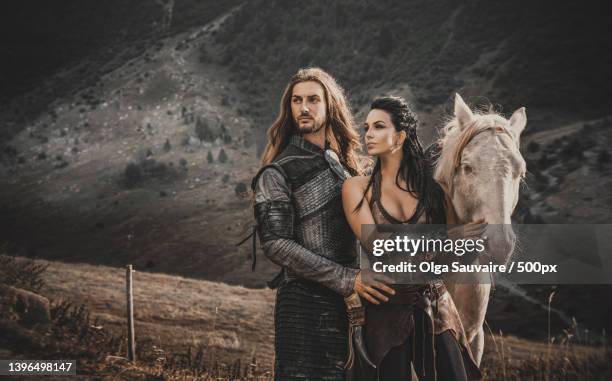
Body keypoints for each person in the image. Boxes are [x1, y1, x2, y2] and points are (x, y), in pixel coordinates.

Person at [252, 67, 381, 380]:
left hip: (354, 304)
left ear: (330, 105)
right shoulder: (277, 172)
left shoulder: (347, 166)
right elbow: (276, 244)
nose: (304, 108)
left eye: (313, 99)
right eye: (297, 101)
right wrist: (347, 279)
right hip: (303, 305)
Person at [342, 96, 484, 380]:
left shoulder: (432, 190)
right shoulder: (356, 188)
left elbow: (462, 253)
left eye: (379, 127)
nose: (368, 134)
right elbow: (379, 247)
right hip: (384, 312)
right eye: (367, 127)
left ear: (400, 136)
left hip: (437, 306)